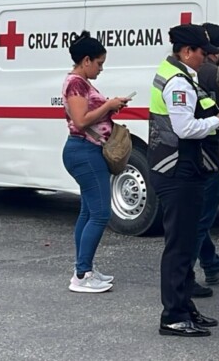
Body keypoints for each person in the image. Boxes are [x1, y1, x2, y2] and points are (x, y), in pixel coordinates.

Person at [150, 24, 219, 337]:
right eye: (202, 53)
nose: (205, 59)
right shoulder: (177, 82)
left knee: (186, 242)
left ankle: (185, 307)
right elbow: (185, 128)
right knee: (179, 247)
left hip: (180, 169)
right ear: (186, 52)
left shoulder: (176, 73)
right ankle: (173, 316)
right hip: (177, 170)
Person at [62, 31, 132, 293]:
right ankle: (82, 274)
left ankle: (85, 267)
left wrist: (109, 107)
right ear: (86, 60)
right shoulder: (75, 84)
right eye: (99, 63)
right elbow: (81, 121)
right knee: (101, 213)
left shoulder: (81, 82)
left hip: (85, 150)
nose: (101, 69)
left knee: (88, 212)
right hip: (84, 151)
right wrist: (108, 105)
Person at [189, 22, 219, 299]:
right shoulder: (215, 74)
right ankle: (186, 276)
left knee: (198, 216)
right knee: (201, 218)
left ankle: (211, 263)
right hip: (210, 155)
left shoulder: (191, 73)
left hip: (195, 155)